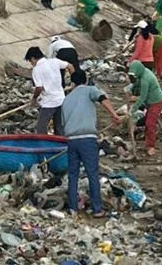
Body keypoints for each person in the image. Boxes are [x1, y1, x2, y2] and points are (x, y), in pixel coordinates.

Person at [62, 70, 121, 218]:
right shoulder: (90, 90)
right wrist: (114, 114)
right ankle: (97, 209)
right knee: (92, 174)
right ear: (86, 80)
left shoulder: (67, 99)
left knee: (73, 175)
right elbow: (102, 98)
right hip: (87, 139)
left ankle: (73, 209)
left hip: (71, 141)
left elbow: (63, 124)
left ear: (73, 83)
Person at [25, 46, 75, 136]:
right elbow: (70, 66)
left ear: (32, 58)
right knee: (59, 127)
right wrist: (74, 82)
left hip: (49, 103)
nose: (31, 64)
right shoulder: (54, 61)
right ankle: (62, 147)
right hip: (61, 100)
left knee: (41, 128)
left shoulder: (36, 69)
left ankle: (45, 147)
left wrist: (34, 99)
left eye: (30, 61)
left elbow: (39, 88)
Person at [128, 60, 162, 156]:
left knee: (150, 123)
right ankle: (147, 143)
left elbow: (142, 97)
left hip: (156, 102)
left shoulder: (146, 78)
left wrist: (133, 109)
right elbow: (136, 83)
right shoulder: (143, 72)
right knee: (148, 121)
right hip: (150, 101)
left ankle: (151, 146)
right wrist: (131, 88)